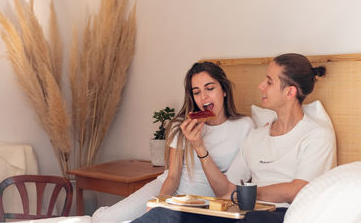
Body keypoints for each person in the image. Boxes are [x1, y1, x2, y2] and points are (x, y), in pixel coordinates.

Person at [133, 53, 336, 223]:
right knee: (164, 215)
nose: (261, 86)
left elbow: (296, 190)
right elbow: (226, 189)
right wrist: (199, 147)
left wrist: (246, 195)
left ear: (290, 92)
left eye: (269, 81)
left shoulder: (317, 135)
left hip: (277, 214)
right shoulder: (256, 136)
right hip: (241, 211)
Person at [92, 61, 254, 223]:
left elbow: (224, 191)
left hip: (203, 200)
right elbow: (173, 176)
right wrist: (160, 202)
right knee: (103, 219)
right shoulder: (183, 124)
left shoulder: (244, 126)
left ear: (224, 90)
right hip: (169, 188)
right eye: (196, 92)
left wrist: (198, 146)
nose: (203, 96)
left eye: (210, 88)